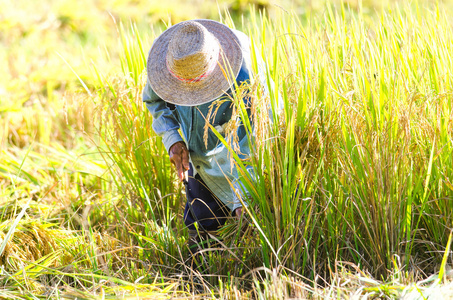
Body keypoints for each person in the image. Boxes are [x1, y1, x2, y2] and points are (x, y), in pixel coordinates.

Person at [142, 19, 268, 264]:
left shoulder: (244, 75)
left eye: (195, 87)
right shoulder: (169, 63)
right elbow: (154, 101)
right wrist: (173, 139)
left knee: (248, 226)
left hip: (238, 153)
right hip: (197, 156)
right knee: (201, 231)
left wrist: (244, 194)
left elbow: (253, 140)